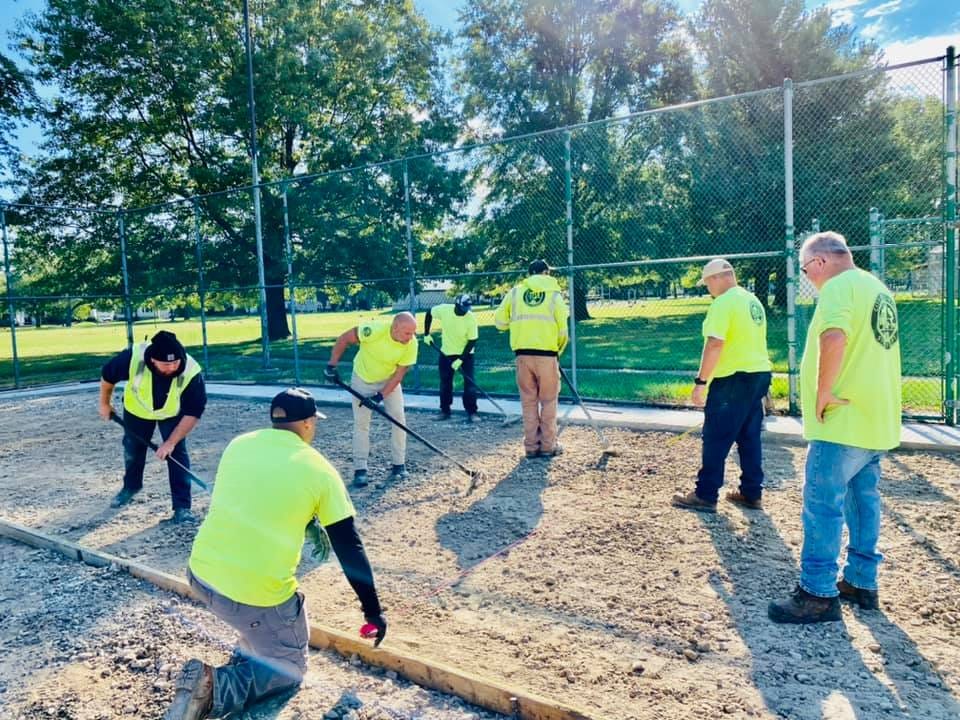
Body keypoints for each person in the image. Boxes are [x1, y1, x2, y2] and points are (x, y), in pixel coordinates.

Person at [163, 388, 387, 720]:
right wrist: (373, 611)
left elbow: (262, 495)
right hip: (251, 597)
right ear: (310, 423)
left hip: (201, 575)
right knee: (290, 669)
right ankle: (215, 687)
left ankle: (253, 644)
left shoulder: (240, 444)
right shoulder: (320, 471)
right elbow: (349, 547)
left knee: (258, 620)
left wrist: (308, 518)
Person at [769, 231, 901, 624]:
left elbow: (834, 336)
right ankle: (861, 580)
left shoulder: (839, 287)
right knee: (864, 503)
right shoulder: (878, 289)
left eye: (807, 269)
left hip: (841, 422)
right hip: (874, 417)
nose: (809, 277)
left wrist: (823, 391)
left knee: (823, 506)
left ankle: (817, 592)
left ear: (821, 262)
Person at [672, 259, 772, 513]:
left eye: (707, 283)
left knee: (716, 436)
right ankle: (752, 492)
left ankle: (706, 494)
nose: (707, 289)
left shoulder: (723, 303)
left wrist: (701, 382)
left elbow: (715, 343)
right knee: (749, 436)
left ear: (716, 278)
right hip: (759, 373)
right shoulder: (752, 301)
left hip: (732, 378)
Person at [98, 330, 206, 523]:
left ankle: (182, 507)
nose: (172, 367)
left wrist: (170, 443)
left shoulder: (191, 370)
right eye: (166, 364)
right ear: (153, 361)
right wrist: (105, 404)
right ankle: (131, 487)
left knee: (177, 454)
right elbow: (108, 376)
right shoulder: (133, 358)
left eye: (175, 362)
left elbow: (193, 412)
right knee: (132, 448)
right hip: (137, 409)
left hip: (171, 413)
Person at [325, 312, 418, 487]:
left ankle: (399, 465)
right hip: (362, 380)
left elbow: (399, 375)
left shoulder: (411, 344)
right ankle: (360, 469)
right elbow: (345, 338)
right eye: (407, 333)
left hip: (389, 381)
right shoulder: (373, 331)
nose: (410, 337)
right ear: (395, 327)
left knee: (399, 420)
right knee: (361, 423)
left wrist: (379, 396)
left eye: (413, 333)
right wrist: (331, 365)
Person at [494, 259, 569, 458]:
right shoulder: (554, 295)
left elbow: (500, 322)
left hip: (522, 355)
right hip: (547, 355)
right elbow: (563, 331)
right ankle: (548, 446)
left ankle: (531, 447)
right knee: (549, 401)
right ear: (546, 272)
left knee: (528, 402)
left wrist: (519, 328)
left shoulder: (515, 293)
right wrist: (557, 353)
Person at [423, 294, 480, 422]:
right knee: (445, 383)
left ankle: (472, 412)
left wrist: (461, 359)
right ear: (457, 305)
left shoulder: (471, 318)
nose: (466, 311)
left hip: (466, 354)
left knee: (470, 384)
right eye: (464, 308)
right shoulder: (444, 310)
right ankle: (445, 411)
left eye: (468, 308)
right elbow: (429, 313)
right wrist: (427, 334)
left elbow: (472, 340)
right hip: (446, 353)